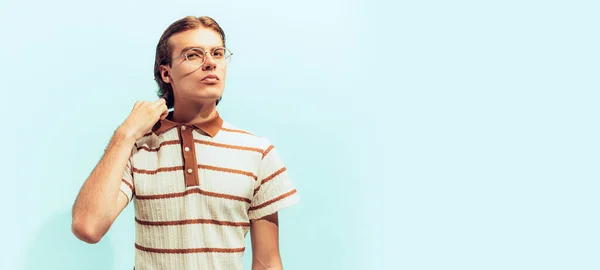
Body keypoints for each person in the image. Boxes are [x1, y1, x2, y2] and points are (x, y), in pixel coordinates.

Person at [71, 15, 300, 270]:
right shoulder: (138, 148)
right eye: (193, 55)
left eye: (218, 53)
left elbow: (267, 263)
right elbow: (87, 227)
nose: (210, 63)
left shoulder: (258, 153)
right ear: (166, 73)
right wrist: (125, 134)